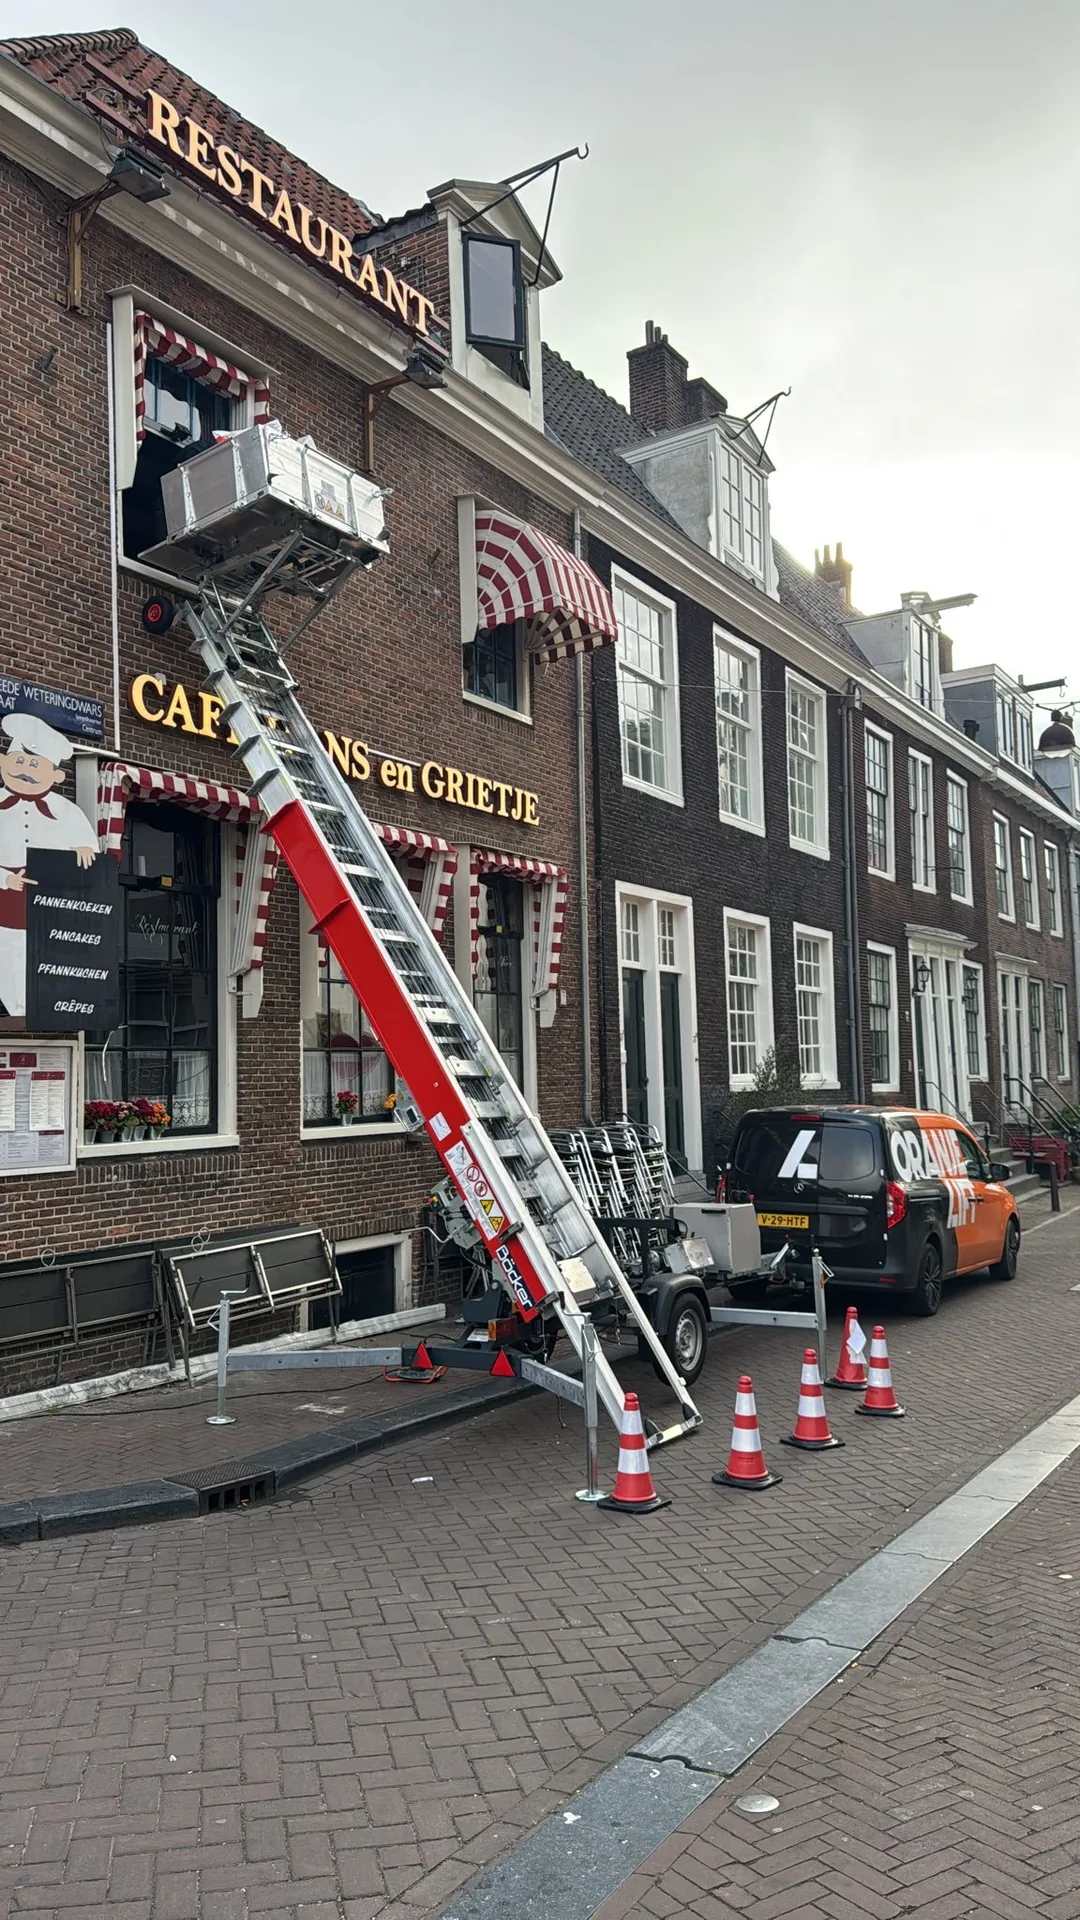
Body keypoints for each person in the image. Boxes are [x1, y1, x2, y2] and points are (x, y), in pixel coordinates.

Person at [0, 713, 98, 1018]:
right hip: (5, 900)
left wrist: (84, 849)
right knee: (7, 955)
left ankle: (33, 1013)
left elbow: (91, 854)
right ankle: (16, 1012)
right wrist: (5, 879)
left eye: (34, 766)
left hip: (49, 904)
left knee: (43, 957)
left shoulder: (67, 811)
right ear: (3, 762)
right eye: (19, 761)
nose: (25, 772)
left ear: (56, 777)